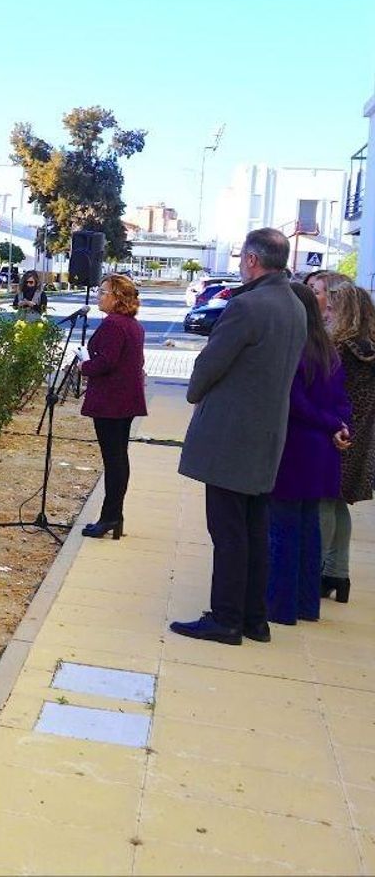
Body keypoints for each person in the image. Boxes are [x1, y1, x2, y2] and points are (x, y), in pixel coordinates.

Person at [172, 228, 308, 645]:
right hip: (267, 434)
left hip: (233, 435)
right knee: (253, 529)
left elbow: (212, 362)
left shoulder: (248, 305)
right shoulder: (294, 304)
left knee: (228, 532)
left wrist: (194, 392)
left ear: (251, 259)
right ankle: (253, 618)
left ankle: (226, 619)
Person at [265, 281, 350, 626]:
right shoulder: (328, 350)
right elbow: (343, 400)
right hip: (323, 451)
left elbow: (296, 403)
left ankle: (280, 607)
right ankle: (305, 604)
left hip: (297, 446)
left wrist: (329, 424)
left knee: (283, 528)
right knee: (308, 528)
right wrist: (340, 427)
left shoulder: (295, 349)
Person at [319, 275, 375, 603]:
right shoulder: (369, 348)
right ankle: (339, 573)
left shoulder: (339, 347)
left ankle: (316, 570)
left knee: (325, 500)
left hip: (336, 431)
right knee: (339, 503)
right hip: (362, 435)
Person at [77, 275, 147, 539]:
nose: (98, 295)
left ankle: (110, 517)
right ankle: (114, 517)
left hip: (111, 401)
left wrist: (85, 365)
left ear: (116, 297)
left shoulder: (113, 325)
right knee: (119, 458)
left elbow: (106, 362)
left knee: (114, 460)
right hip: (125, 400)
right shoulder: (132, 325)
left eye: (103, 291)